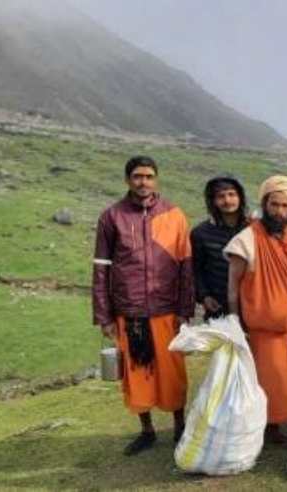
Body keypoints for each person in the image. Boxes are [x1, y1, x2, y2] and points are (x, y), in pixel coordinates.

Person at [92, 155, 193, 455]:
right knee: (138, 375)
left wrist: (185, 311)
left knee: (173, 373)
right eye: (137, 176)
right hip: (130, 310)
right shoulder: (111, 217)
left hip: (167, 310)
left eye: (149, 176)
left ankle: (180, 426)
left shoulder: (174, 215)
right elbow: (101, 268)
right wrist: (104, 315)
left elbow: (186, 267)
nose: (143, 182)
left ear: (156, 179)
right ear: (127, 180)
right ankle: (146, 430)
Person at [225, 175, 287, 444]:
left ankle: (285, 421)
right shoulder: (245, 239)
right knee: (271, 380)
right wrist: (235, 322)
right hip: (263, 329)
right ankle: (267, 426)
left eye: (285, 206)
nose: (279, 211)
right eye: (274, 204)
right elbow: (233, 286)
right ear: (264, 204)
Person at [191, 176, 249, 320]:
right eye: (221, 196)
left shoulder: (254, 229)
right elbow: (196, 270)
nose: (227, 200)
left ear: (240, 197)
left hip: (252, 305)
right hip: (218, 308)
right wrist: (204, 296)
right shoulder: (201, 233)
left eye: (232, 194)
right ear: (213, 201)